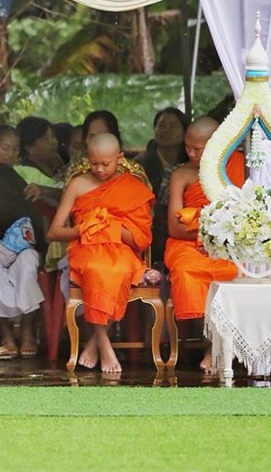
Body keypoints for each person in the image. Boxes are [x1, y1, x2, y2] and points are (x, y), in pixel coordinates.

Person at [47, 133, 154, 373]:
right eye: (94, 163)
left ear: (120, 158)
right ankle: (104, 344)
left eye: (106, 164)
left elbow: (142, 238)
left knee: (119, 271)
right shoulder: (78, 184)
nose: (100, 169)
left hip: (122, 252)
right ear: (87, 158)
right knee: (97, 270)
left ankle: (95, 342)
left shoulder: (131, 186)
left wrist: (111, 226)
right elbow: (54, 232)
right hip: (86, 249)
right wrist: (85, 228)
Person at [164, 117, 243, 372]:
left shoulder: (242, 166)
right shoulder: (182, 174)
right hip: (188, 243)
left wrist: (220, 238)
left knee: (235, 272)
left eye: (198, 148)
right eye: (188, 147)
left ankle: (221, 344)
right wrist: (205, 238)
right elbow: (175, 226)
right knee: (187, 271)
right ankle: (214, 342)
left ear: (219, 144)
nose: (191, 153)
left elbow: (249, 214)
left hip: (231, 243)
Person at [0, 126, 44, 360]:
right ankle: (7, 335)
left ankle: (27, 330)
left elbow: (63, 191)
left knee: (28, 260)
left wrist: (41, 190)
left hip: (20, 248)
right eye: (5, 148)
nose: (10, 154)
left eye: (15, 149)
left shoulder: (23, 174)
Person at [135, 107, 190, 264]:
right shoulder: (140, 165)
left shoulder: (191, 163)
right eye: (161, 125)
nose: (166, 130)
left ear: (185, 132)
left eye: (173, 126)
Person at [14, 116, 64, 208]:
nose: (53, 142)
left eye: (52, 136)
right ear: (29, 148)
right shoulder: (25, 173)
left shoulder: (58, 166)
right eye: (45, 139)